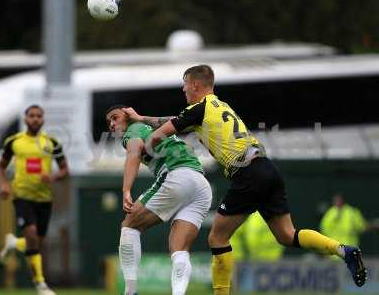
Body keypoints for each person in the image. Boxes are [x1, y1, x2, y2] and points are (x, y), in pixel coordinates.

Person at [123, 64, 367, 294]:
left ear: (196, 84)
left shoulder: (199, 109)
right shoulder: (218, 105)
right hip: (267, 167)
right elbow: (174, 120)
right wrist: (141, 117)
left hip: (247, 173)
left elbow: (162, 132)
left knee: (217, 237)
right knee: (287, 235)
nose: (183, 89)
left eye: (185, 84)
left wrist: (146, 147)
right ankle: (342, 249)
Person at [106, 105, 212, 295]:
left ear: (128, 117)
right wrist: (141, 116)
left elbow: (134, 152)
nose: (112, 124)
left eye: (115, 118)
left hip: (177, 174)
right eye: (109, 122)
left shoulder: (134, 130)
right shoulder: (153, 125)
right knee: (179, 249)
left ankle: (130, 292)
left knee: (129, 225)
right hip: (201, 184)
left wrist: (126, 189)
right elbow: (180, 120)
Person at [0, 105, 69, 295]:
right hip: (21, 196)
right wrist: (4, 185)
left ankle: (14, 243)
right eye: (31, 116)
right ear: (25, 119)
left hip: (44, 198)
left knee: (36, 242)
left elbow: (64, 170)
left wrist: (53, 177)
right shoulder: (14, 142)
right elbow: (0, 168)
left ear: (43, 119)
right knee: (31, 234)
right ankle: (40, 284)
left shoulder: (51, 142)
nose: (35, 119)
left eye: (39, 116)